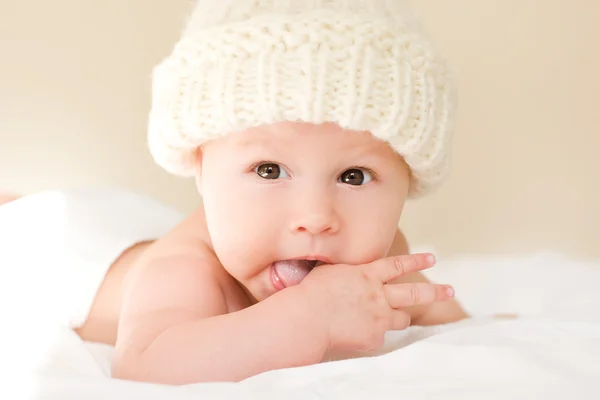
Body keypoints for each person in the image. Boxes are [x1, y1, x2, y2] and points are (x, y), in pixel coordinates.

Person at [0, 0, 469, 386]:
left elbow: (431, 306)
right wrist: (306, 318)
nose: (315, 217)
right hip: (57, 248)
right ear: (202, 170)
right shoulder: (186, 271)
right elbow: (146, 367)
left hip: (139, 224)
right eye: (269, 169)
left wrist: (460, 317)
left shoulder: (378, 256)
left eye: (353, 176)